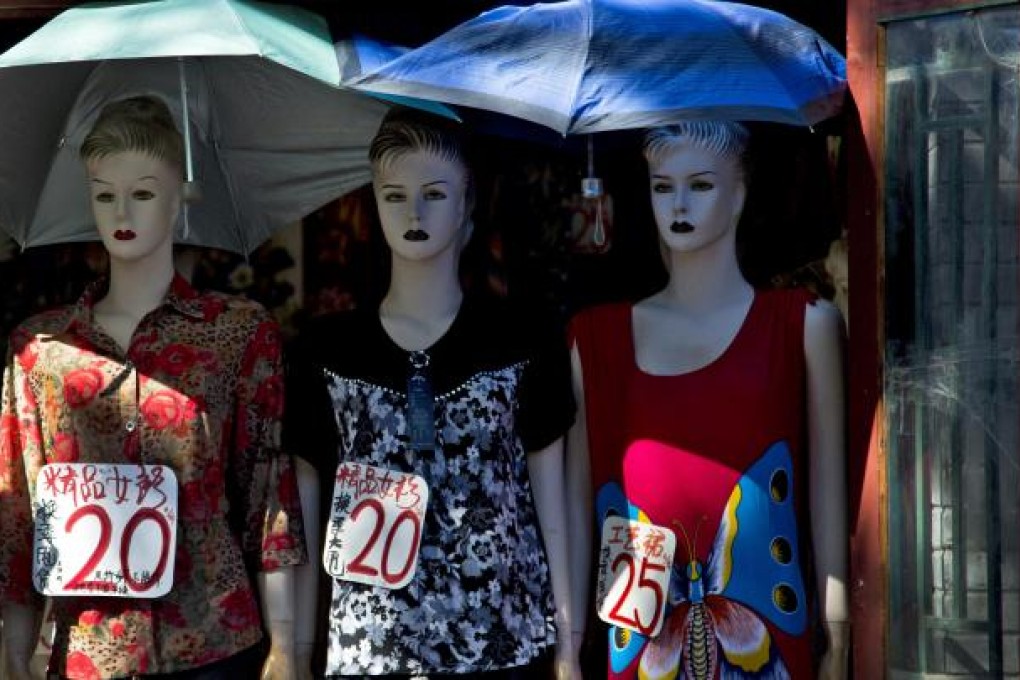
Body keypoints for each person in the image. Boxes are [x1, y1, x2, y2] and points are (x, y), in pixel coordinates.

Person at [0, 95, 311, 679]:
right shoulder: (41, 349)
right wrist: (12, 648)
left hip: (214, 640)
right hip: (86, 649)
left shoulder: (237, 334)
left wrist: (287, 645)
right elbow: (19, 510)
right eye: (104, 193)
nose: (122, 210)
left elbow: (268, 493)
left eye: (142, 192)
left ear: (179, 200)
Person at [285, 108, 578, 678]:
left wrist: (569, 644)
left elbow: (553, 502)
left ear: (467, 204)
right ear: (374, 202)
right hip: (370, 649)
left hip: (503, 644)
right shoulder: (327, 351)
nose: (413, 212)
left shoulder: (520, 340)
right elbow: (303, 508)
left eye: (435, 195)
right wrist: (295, 651)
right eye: (394, 195)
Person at [566, 121, 848, 679]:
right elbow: (578, 507)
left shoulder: (801, 326)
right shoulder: (594, 341)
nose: (679, 203)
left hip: (769, 634)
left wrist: (837, 633)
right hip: (641, 639)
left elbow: (826, 492)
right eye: (662, 185)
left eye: (701, 184)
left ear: (739, 193)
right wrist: (569, 644)